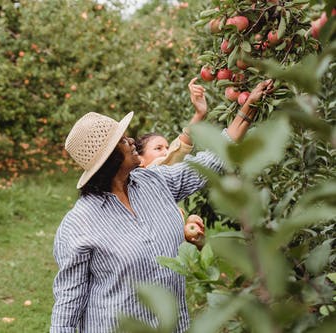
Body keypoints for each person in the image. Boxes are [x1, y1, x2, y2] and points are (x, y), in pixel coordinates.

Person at [50, 80, 274, 333]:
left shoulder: (155, 182)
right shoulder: (79, 225)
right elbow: (67, 308)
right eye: (123, 141)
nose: (132, 140)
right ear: (110, 159)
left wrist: (248, 110)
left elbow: (212, 160)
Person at [135, 77, 208, 247]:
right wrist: (199, 115)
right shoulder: (143, 180)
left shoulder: (167, 195)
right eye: (158, 148)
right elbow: (179, 150)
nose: (166, 152)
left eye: (167, 147)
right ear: (140, 160)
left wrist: (191, 233)